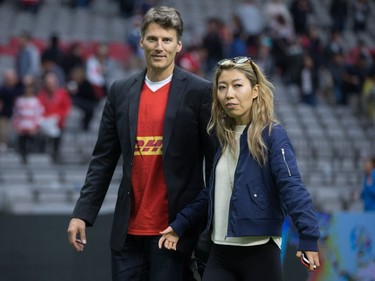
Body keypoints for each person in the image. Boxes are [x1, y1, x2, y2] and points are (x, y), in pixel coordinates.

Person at [67, 6, 216, 281]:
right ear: (141, 42)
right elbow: (103, 159)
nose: (159, 46)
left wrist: (199, 223)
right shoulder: (120, 91)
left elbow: (217, 164)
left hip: (174, 233)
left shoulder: (200, 92)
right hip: (127, 236)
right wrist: (82, 213)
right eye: (153, 39)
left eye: (167, 40)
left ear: (179, 45)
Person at [159, 56, 321, 281]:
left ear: (255, 90)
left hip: (260, 253)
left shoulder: (273, 135)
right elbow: (213, 193)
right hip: (219, 253)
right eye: (222, 87)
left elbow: (292, 187)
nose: (229, 94)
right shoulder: (223, 138)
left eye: (237, 85)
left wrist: (308, 236)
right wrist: (180, 224)